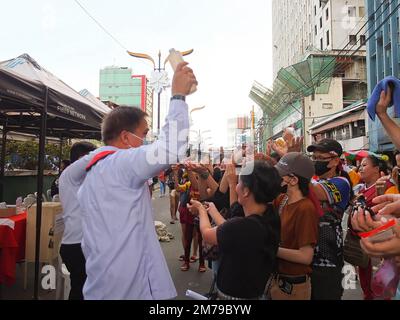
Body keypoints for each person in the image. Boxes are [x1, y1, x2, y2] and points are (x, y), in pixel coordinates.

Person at [68, 62, 196, 299]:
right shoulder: (120, 164)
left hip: (103, 285)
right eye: (145, 134)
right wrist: (178, 95)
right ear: (126, 137)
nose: (146, 141)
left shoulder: (94, 174)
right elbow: (170, 149)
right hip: (128, 289)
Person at [188, 161, 282, 300]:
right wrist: (213, 210)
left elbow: (208, 234)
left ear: (246, 191)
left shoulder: (244, 226)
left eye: (239, 182)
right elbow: (232, 221)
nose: (235, 186)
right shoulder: (270, 216)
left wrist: (201, 210)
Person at [307, 139, 353, 300]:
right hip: (306, 257)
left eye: (320, 158)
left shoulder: (341, 183)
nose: (315, 162)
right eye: (314, 158)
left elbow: (314, 191)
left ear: (334, 161)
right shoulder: (315, 180)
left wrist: (292, 162)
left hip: (328, 260)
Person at [270, 153, 320, 300]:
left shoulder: (305, 208)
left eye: (280, 175)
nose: (276, 178)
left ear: (293, 180)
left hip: (293, 287)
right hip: (277, 280)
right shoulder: (282, 199)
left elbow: (305, 256)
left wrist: (270, 249)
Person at [351, 155, 398, 300]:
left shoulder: (389, 188)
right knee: (367, 273)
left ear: (377, 169)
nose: (360, 168)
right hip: (367, 240)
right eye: (360, 165)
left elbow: (387, 216)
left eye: (365, 165)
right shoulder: (360, 188)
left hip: (383, 241)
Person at [58, 142, 96, 300]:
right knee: (80, 290)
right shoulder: (69, 175)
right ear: (82, 158)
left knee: (90, 289)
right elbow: (94, 157)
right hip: (75, 246)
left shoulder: (86, 179)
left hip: (86, 243)